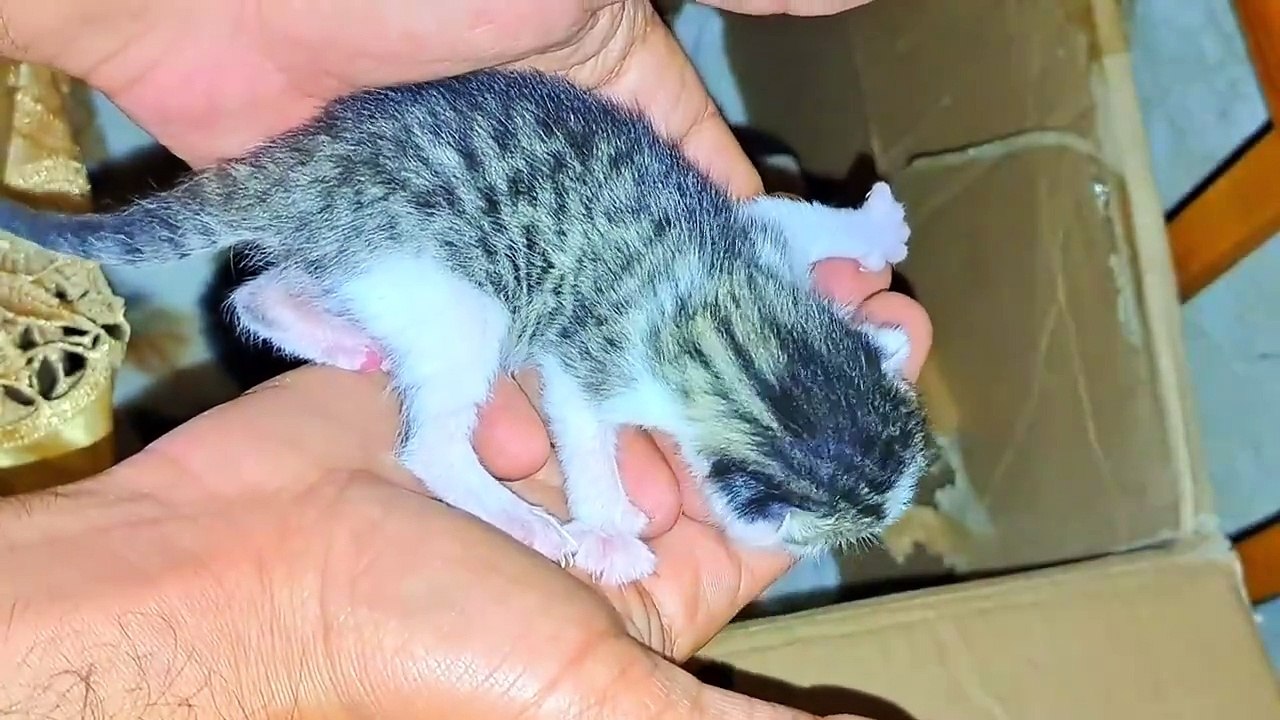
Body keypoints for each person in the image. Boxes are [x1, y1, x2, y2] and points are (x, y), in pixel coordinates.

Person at [0, 1, 931, 717]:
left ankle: (285, 294)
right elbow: (580, 396)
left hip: (430, 170)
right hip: (429, 208)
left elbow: (768, 224)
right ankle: (442, 455)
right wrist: (600, 518)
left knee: (482, 314)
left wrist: (853, 230)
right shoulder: (654, 376)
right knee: (472, 337)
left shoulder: (759, 280)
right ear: (745, 491)